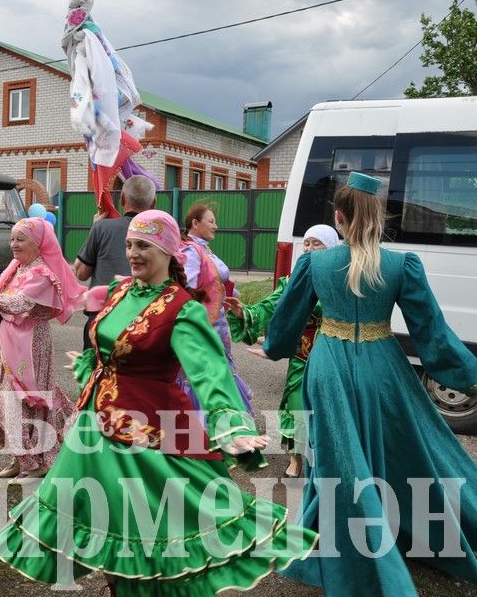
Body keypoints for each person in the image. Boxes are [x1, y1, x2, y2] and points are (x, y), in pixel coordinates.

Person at [0, 210, 317, 595]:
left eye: (143, 245)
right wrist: (91, 364)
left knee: (149, 537)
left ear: (166, 250)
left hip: (149, 440)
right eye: (129, 244)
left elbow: (211, 375)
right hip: (95, 434)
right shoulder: (121, 291)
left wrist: (233, 428)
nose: (132, 252)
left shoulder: (182, 309)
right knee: (103, 529)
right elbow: (106, 343)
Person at [261, 172, 477, 595]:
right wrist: (468, 374)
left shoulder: (314, 262)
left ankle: (344, 544)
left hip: (329, 369)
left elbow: (287, 322)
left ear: (338, 219)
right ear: (379, 216)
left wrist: (273, 346)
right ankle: (387, 528)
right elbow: (432, 335)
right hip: (384, 367)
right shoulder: (401, 265)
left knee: (337, 456)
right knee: (392, 445)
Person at [0, 218, 84, 483]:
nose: (14, 244)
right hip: (11, 339)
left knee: (23, 402)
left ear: (38, 244)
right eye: (12, 239)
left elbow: (20, 302)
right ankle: (20, 457)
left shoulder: (43, 273)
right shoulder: (16, 267)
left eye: (20, 239)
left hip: (31, 341)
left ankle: (35, 465)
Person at [224, 224, 340, 478]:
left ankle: (326, 460)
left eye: (316, 243)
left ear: (330, 248)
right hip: (302, 359)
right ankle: (296, 459)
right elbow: (270, 306)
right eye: (306, 243)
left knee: (329, 413)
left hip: (333, 360)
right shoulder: (292, 282)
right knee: (298, 408)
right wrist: (245, 312)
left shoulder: (340, 279)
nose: (309, 248)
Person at [179, 202, 254, 413]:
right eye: (210, 221)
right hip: (205, 328)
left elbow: (213, 284)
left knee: (218, 376)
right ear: (195, 223)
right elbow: (189, 290)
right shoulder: (191, 251)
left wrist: (228, 295)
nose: (216, 226)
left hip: (217, 326)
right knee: (206, 379)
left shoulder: (202, 249)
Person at [74, 175, 156, 349]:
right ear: (154, 203)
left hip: (102, 318)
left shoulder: (102, 228)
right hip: (144, 321)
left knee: (96, 374)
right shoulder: (160, 235)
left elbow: (81, 273)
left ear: (123, 199)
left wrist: (94, 229)